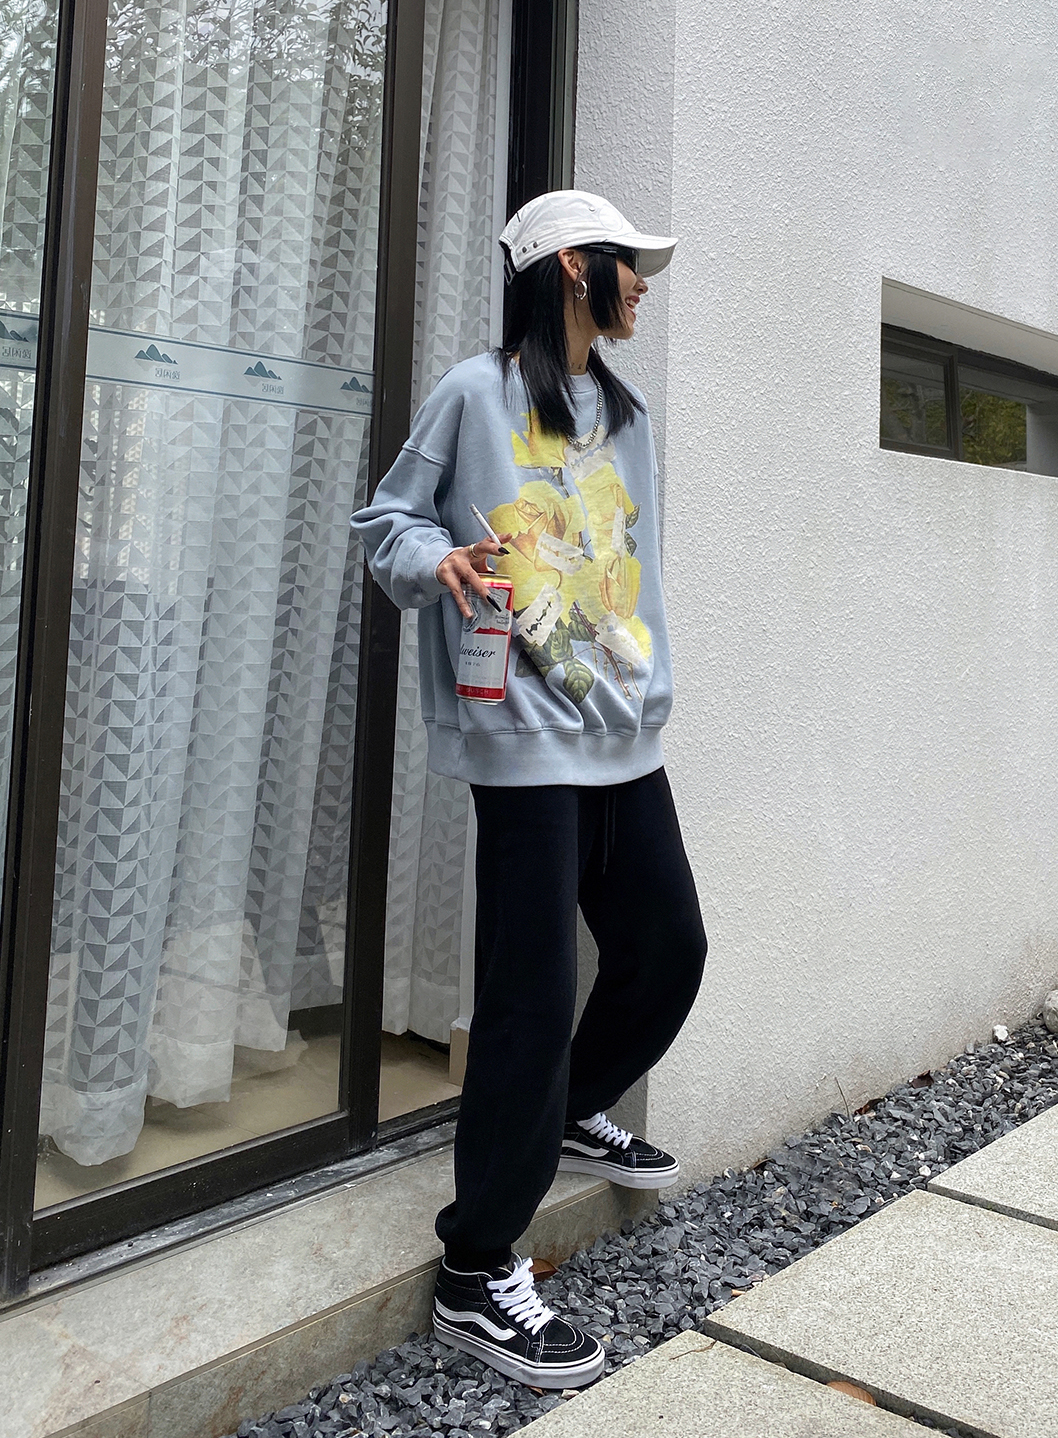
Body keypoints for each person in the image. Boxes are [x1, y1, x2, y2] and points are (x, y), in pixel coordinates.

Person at [351, 189, 707, 1390]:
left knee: (668, 946)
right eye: (626, 262)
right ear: (568, 269)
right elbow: (388, 518)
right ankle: (475, 1267)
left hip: (622, 730)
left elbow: (626, 559)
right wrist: (433, 554)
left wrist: (651, 676)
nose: (641, 283)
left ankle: (568, 1104)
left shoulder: (625, 409)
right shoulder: (473, 393)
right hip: (524, 741)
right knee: (531, 995)